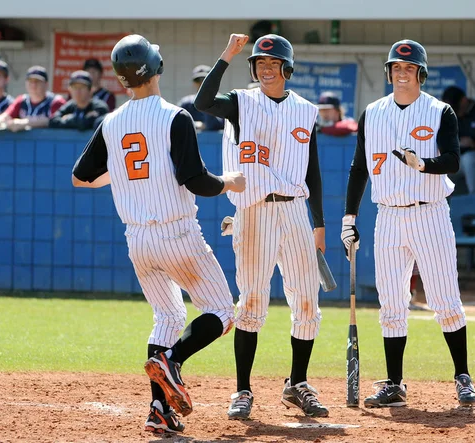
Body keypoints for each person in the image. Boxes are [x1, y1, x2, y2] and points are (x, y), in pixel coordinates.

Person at [71, 34, 246, 435]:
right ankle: (174, 361)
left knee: (167, 316)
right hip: (177, 233)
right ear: (157, 67)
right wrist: (229, 182)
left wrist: (127, 175)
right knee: (221, 312)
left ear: (122, 79)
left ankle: (158, 410)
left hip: (138, 239)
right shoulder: (175, 116)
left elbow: (81, 178)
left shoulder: (111, 121)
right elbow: (196, 180)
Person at [194, 33, 329, 420]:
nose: (266, 70)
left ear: (287, 69)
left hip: (295, 212)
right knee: (252, 302)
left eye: (273, 64)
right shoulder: (242, 102)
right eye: (260, 64)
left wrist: (318, 223)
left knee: (307, 301)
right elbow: (204, 102)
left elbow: (313, 171)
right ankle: (242, 390)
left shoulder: (305, 110)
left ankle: (297, 383)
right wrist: (228, 55)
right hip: (254, 210)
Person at [341, 39, 475, 409]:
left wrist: (424, 165)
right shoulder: (372, 113)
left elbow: (453, 160)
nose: (402, 74)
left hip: (429, 212)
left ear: (421, 73)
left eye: (409, 69)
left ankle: (462, 377)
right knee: (391, 303)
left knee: (444, 298)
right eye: (396, 68)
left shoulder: (439, 111)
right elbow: (359, 169)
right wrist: (349, 217)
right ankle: (394, 384)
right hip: (388, 215)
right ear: (389, 73)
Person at [0, 65, 66, 132]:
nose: (33, 85)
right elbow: (5, 116)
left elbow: (52, 121)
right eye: (30, 81)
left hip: (50, 142)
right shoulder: (21, 100)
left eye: (37, 81)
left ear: (46, 84)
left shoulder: (56, 102)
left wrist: (25, 122)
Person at [177, 65, 224, 130]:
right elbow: (177, 123)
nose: (202, 83)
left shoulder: (222, 101)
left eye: (205, 79)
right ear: (194, 83)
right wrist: (195, 124)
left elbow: (226, 126)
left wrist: (206, 125)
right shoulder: (186, 103)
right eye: (198, 80)